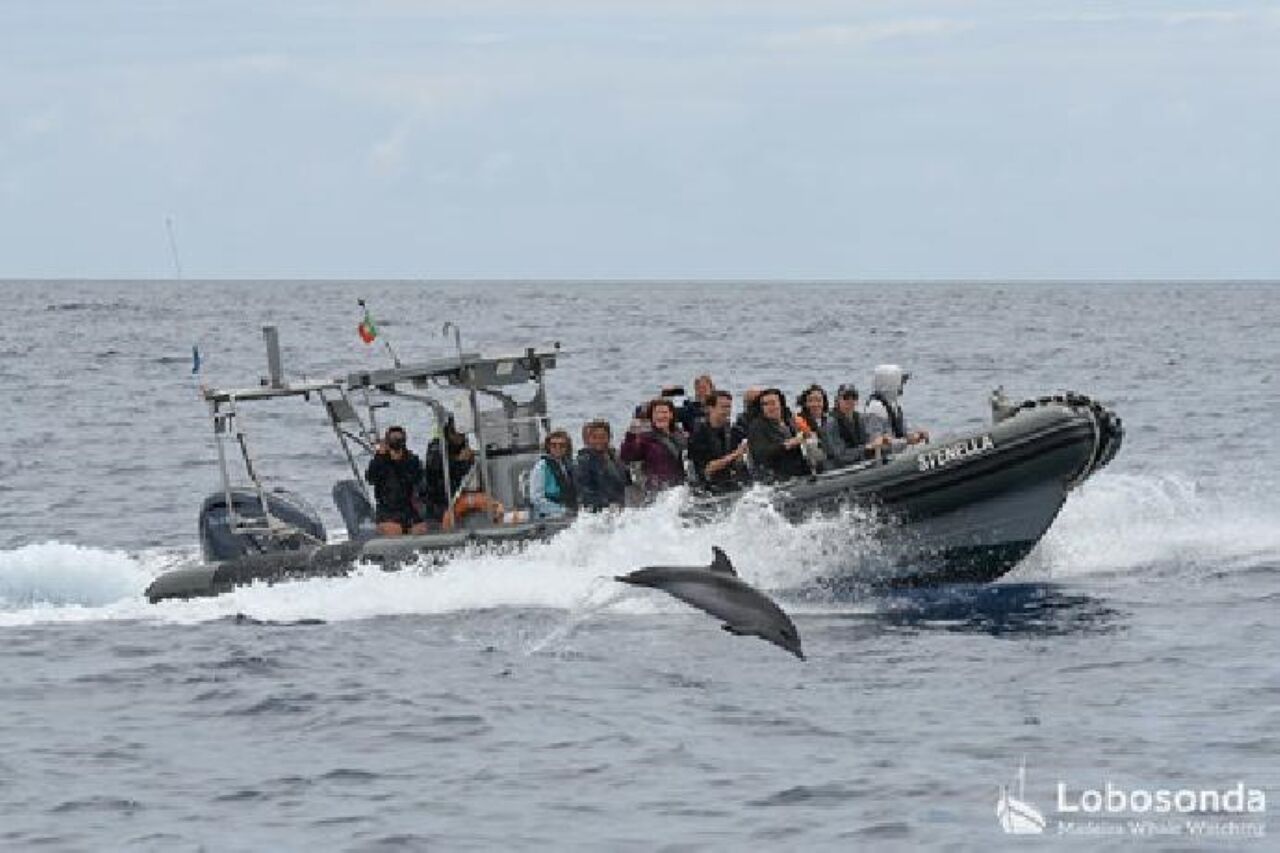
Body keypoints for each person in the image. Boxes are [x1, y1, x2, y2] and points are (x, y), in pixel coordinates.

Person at [364, 425, 428, 535]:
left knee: (420, 529)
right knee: (394, 529)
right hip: (387, 509)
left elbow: (417, 479)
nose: (397, 442)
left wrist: (400, 461)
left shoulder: (412, 460)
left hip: (408, 508)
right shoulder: (380, 460)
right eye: (393, 439)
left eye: (399, 438)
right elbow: (370, 478)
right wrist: (380, 457)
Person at [620, 397, 688, 493]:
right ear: (651, 417)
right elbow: (626, 455)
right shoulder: (645, 439)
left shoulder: (681, 436)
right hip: (657, 491)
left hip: (680, 488)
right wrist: (631, 435)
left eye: (664, 412)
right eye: (656, 413)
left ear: (671, 415)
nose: (660, 416)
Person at [688, 390, 750, 492]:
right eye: (723, 407)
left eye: (729, 407)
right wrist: (735, 454)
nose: (727, 411)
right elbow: (707, 469)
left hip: (732, 483)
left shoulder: (735, 431)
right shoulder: (698, 435)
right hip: (707, 488)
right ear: (710, 408)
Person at [746, 388, 811, 481]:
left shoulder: (790, 420)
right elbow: (760, 454)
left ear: (781, 404)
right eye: (765, 404)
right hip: (774, 474)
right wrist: (786, 445)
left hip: (798, 470)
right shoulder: (756, 426)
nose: (769, 407)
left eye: (773, 403)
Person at [422, 417, 475, 521]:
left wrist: (469, 460)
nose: (458, 437)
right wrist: (458, 460)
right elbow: (435, 464)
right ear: (448, 432)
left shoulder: (464, 448)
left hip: (458, 494)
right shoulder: (436, 447)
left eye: (461, 434)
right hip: (437, 499)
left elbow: (466, 472)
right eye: (454, 432)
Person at [864, 364, 929, 446]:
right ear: (890, 383)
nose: (903, 385)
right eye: (901, 382)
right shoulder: (875, 408)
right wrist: (906, 441)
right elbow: (877, 442)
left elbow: (903, 429)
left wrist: (916, 434)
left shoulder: (893, 405)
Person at [575, 419, 630, 510]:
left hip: (620, 507)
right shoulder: (583, 461)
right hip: (598, 510)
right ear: (588, 439)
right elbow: (583, 491)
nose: (599, 440)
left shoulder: (616, 458)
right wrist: (606, 504)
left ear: (609, 438)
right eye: (595, 437)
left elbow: (627, 482)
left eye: (602, 437)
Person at [824, 383, 883, 465]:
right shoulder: (831, 423)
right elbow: (839, 454)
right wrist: (865, 448)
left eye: (854, 397)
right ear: (838, 400)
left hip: (859, 462)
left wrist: (880, 441)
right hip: (839, 466)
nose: (850, 401)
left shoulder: (859, 418)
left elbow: (868, 439)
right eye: (846, 397)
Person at [528, 430, 578, 519]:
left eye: (562, 445)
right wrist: (561, 510)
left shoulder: (569, 465)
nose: (557, 448)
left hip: (569, 514)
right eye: (553, 445)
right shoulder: (541, 467)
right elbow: (536, 499)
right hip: (549, 517)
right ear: (548, 446)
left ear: (567, 447)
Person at [793, 384, 838, 470]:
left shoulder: (831, 420)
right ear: (805, 403)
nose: (815, 404)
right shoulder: (797, 422)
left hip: (832, 462)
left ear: (824, 402)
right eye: (811, 401)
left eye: (819, 400)